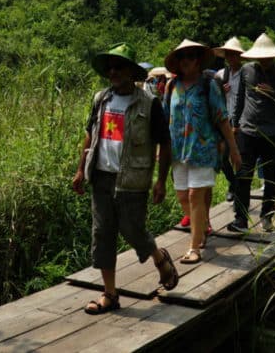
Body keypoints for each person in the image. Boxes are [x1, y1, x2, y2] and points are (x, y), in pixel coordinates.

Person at [72, 43, 178, 315]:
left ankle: (159, 258)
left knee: (134, 230)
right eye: (110, 67)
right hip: (101, 177)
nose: (114, 71)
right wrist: (80, 169)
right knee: (102, 233)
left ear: (132, 71)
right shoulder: (100, 99)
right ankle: (110, 294)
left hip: (133, 178)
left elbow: (164, 144)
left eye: (119, 67)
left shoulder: (149, 104)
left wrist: (161, 181)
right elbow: (89, 135)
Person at [164, 39, 241, 264]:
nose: (186, 61)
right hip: (178, 151)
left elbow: (222, 118)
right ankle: (203, 225)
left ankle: (194, 247)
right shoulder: (172, 86)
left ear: (198, 61)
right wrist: (161, 149)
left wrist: (233, 150)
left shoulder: (209, 85)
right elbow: (164, 118)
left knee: (194, 195)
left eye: (191, 57)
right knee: (182, 196)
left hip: (204, 149)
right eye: (182, 57)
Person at [228, 33, 275, 233]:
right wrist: (234, 124)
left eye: (267, 57)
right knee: (243, 176)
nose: (264, 61)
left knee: (270, 178)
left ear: (274, 56)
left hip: (271, 133)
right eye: (261, 57)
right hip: (247, 131)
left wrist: (274, 93)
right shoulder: (247, 70)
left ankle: (267, 216)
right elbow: (240, 100)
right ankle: (241, 219)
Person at [213, 37, 245, 202]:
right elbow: (212, 97)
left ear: (239, 56)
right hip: (225, 120)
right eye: (228, 55)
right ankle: (234, 185)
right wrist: (220, 91)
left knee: (237, 157)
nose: (231, 58)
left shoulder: (246, 74)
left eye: (234, 54)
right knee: (223, 158)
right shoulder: (220, 75)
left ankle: (237, 189)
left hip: (241, 121)